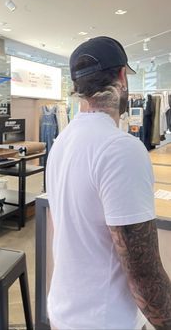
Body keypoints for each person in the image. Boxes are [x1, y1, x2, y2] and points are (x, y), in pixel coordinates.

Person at [46, 36, 171, 330]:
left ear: (78, 88)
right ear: (122, 77)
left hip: (64, 310)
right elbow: (144, 275)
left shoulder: (63, 140)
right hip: (103, 320)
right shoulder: (120, 149)